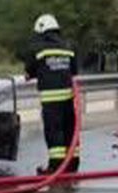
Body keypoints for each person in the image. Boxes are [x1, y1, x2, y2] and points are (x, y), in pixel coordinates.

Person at [24, 14, 79, 174]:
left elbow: (30, 69)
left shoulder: (38, 48)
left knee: (54, 132)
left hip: (51, 99)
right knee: (70, 130)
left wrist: (30, 73)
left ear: (41, 30)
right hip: (69, 98)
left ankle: (55, 167)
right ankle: (72, 164)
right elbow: (74, 71)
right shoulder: (69, 46)